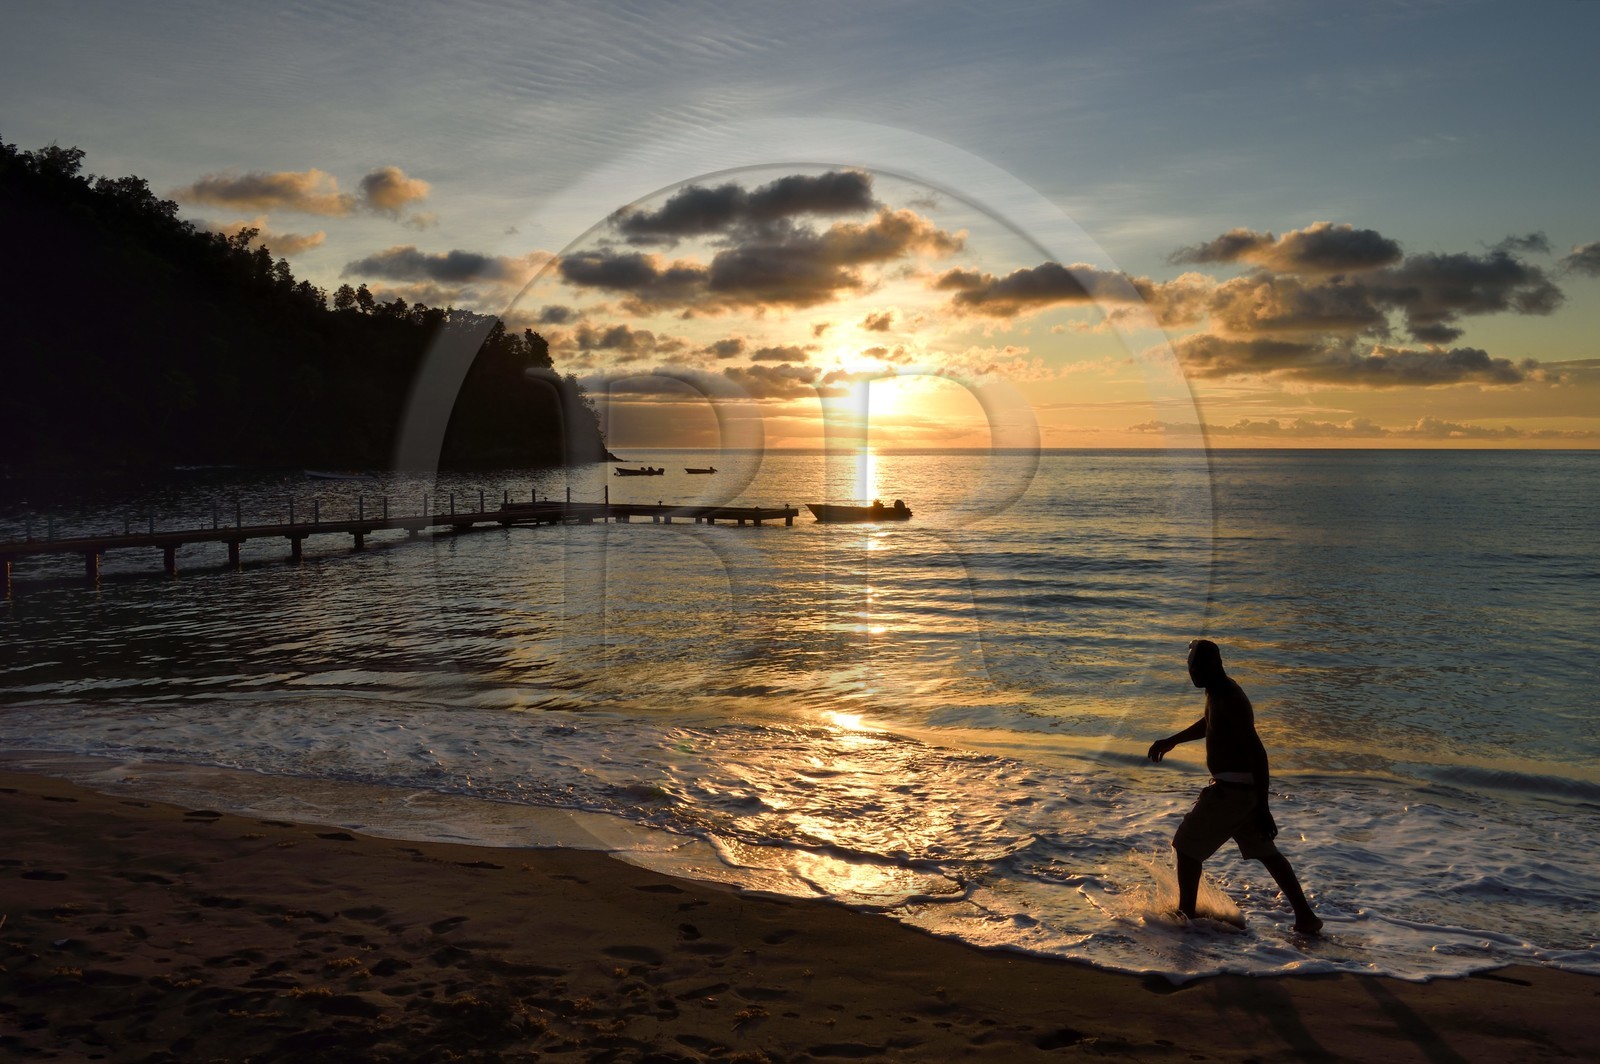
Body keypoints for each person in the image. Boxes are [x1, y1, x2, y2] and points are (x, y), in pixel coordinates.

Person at [1147, 639, 1322, 934]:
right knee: (1267, 853)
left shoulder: (1230, 697)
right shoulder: (1216, 691)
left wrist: (1264, 808)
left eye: (1196, 668)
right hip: (1240, 794)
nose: (1192, 674)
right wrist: (1173, 739)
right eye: (1190, 668)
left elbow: (1258, 754)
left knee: (1187, 846)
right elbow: (1210, 723)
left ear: (1213, 666)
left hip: (1232, 793)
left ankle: (1186, 915)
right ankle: (1306, 917)